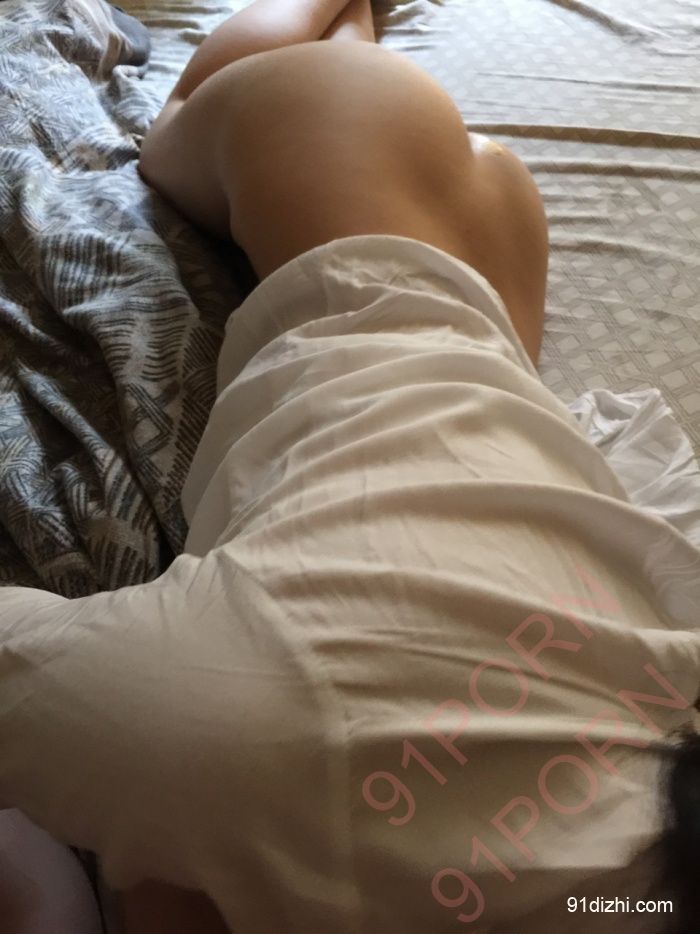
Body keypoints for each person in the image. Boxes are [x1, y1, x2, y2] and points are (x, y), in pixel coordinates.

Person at [1, 1, 699, 932]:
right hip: (361, 203)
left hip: (483, 301)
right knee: (170, 137)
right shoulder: (238, 724)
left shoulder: (642, 871)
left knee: (346, 67)